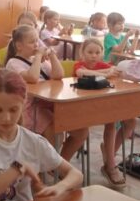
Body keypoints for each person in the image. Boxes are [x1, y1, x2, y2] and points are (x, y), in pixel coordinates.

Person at [0, 69, 83, 201]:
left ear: (24, 105)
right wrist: (17, 168)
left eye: (13, 110)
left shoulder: (33, 141)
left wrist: (60, 187)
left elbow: (76, 174)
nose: (6, 118)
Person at [5, 25, 88, 161]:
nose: (36, 45)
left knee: (81, 130)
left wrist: (52, 55)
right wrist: (38, 56)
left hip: (50, 103)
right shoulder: (13, 63)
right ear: (19, 46)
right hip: (30, 108)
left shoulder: (39, 61)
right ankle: (51, 165)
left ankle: (60, 163)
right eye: (32, 42)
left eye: (37, 41)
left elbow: (58, 75)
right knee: (54, 130)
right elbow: (32, 77)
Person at [73, 38, 131, 187]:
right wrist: (105, 73)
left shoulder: (102, 64)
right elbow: (81, 73)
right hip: (81, 107)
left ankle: (109, 158)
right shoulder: (79, 64)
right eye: (90, 52)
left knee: (123, 120)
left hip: (101, 103)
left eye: (97, 52)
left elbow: (114, 71)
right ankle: (110, 163)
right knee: (110, 120)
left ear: (102, 53)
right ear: (82, 53)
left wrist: (110, 71)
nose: (94, 55)